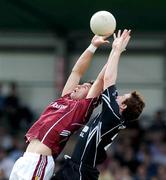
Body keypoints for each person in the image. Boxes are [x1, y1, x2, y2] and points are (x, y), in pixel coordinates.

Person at [9, 35, 110, 180]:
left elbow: (100, 80)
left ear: (93, 96)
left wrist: (115, 51)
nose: (79, 86)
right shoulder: (65, 98)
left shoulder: (82, 108)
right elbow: (77, 72)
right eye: (81, 84)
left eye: (86, 87)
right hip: (24, 159)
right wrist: (92, 46)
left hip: (39, 161)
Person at [53, 29, 145, 180]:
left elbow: (108, 79)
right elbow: (102, 79)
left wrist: (117, 50)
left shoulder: (114, 114)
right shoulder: (113, 115)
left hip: (81, 172)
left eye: (122, 97)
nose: (118, 96)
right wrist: (115, 53)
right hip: (75, 167)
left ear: (123, 107)